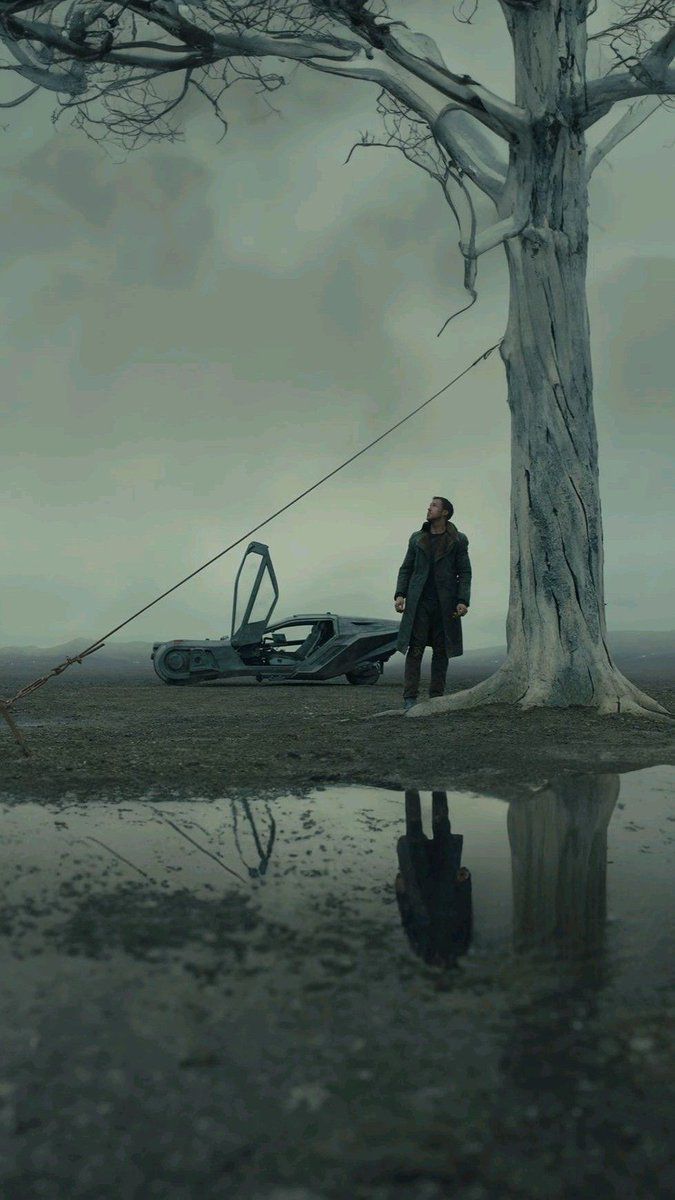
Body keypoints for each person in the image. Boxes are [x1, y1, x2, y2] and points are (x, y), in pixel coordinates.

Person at [394, 496, 471, 711]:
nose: (429, 508)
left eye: (434, 505)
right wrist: (400, 594)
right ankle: (410, 698)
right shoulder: (417, 538)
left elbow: (464, 572)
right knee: (415, 649)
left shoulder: (458, 540)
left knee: (441, 650)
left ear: (445, 512)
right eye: (430, 505)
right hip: (419, 603)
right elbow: (406, 568)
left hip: (445, 604)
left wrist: (463, 600)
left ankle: (436, 697)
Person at [395, 790, 472, 968]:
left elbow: (407, 918)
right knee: (443, 832)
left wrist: (401, 891)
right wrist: (464, 883)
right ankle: (438, 789)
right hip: (446, 889)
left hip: (420, 888)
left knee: (414, 834)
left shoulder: (421, 950)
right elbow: (465, 913)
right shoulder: (459, 947)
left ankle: (411, 788)